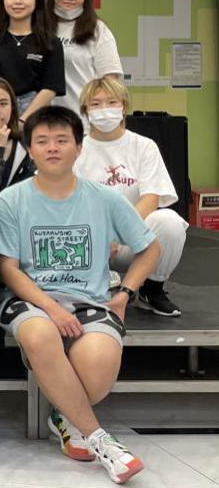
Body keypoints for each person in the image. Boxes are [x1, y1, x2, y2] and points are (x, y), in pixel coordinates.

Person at [0, 106, 159, 484]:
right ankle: (101, 440)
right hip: (31, 299)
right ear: (30, 150)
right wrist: (51, 308)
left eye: (61, 140)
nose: (52, 148)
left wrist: (125, 293)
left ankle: (66, 417)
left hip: (90, 300)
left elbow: (150, 248)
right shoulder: (10, 199)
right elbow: (8, 268)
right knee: (41, 333)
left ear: (79, 148)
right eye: (42, 141)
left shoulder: (104, 198)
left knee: (100, 365)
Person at [75, 76, 187, 316]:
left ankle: (151, 289)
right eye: (96, 104)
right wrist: (98, 235)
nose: (104, 109)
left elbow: (151, 198)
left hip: (131, 240)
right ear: (86, 110)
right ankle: (92, 285)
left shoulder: (144, 146)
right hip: (88, 242)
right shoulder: (76, 150)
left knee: (170, 222)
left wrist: (118, 232)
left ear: (123, 107)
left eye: (111, 102)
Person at [46, 0, 124, 115]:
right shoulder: (39, 28)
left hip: (84, 119)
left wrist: (106, 116)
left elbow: (110, 80)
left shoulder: (98, 29)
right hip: (45, 120)